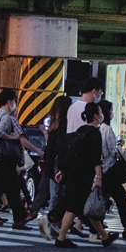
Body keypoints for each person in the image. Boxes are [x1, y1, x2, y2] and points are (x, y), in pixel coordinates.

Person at [53, 103, 119, 248]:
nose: (102, 114)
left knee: (88, 207)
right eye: (100, 112)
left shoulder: (80, 130)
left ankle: (104, 237)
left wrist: (62, 170)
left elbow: (72, 154)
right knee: (73, 207)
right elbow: (96, 159)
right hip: (84, 176)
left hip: (73, 173)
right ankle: (61, 238)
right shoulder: (95, 133)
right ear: (96, 115)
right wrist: (99, 178)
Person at [0, 88, 30, 229]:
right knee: (12, 189)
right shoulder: (6, 117)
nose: (15, 104)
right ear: (10, 102)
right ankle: (17, 220)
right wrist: (12, 136)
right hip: (5, 158)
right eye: (14, 101)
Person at [97, 100, 126, 240]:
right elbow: (112, 150)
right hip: (109, 170)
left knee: (102, 198)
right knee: (121, 198)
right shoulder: (107, 129)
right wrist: (119, 149)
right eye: (111, 110)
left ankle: (84, 224)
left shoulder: (98, 128)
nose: (112, 113)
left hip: (101, 170)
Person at [39, 95, 72, 240]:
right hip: (60, 163)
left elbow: (50, 147)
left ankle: (52, 222)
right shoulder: (65, 123)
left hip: (51, 163)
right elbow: (62, 145)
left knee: (55, 195)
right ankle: (53, 221)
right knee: (64, 194)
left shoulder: (53, 124)